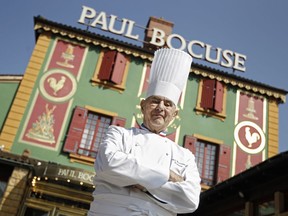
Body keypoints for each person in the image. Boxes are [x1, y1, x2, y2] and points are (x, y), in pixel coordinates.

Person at [88, 48, 201, 216]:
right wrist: (167, 175)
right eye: (155, 101)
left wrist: (139, 181)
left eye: (168, 104)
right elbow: (108, 164)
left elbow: (190, 199)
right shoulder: (119, 134)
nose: (160, 108)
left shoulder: (185, 156)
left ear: (174, 114)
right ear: (143, 106)